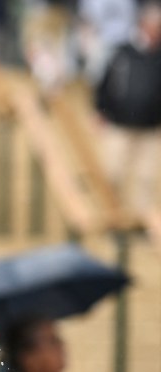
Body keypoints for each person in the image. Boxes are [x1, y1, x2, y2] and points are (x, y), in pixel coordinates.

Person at [95, 1, 161, 219]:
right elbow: (104, 84)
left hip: (150, 128)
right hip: (119, 124)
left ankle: (140, 221)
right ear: (144, 25)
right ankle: (111, 215)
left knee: (146, 178)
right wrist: (100, 110)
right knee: (112, 173)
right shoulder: (122, 52)